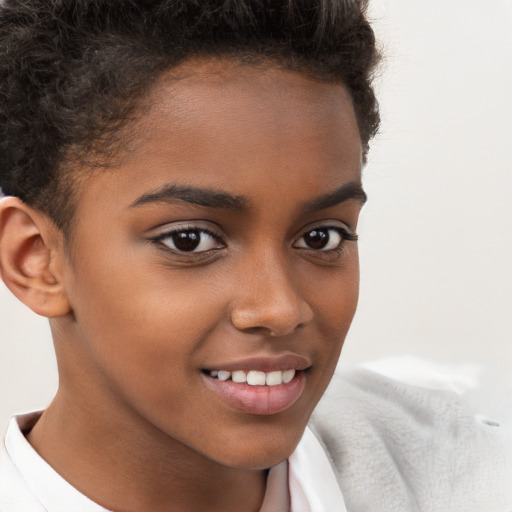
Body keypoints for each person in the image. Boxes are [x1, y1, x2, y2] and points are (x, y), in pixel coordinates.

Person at [0, 1, 509, 511]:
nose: (280, 309)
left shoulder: (469, 480)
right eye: (190, 241)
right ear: (36, 260)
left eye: (321, 237)